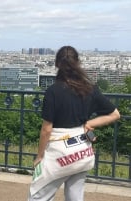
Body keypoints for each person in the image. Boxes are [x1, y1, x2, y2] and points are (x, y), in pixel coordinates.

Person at [28, 46, 120, 201]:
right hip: (82, 150)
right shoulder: (90, 88)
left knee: (39, 195)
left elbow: (46, 129)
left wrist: (39, 156)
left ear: (57, 64)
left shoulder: (53, 91)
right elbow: (115, 114)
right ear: (78, 63)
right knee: (75, 195)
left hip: (59, 152)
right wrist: (89, 123)